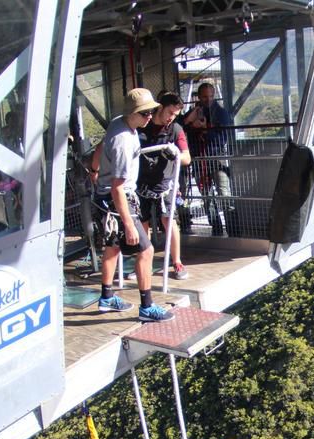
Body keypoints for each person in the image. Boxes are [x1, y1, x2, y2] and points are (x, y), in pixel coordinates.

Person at [87, 88, 173, 322]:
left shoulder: (118, 123)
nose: (149, 116)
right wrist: (129, 224)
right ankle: (146, 307)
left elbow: (100, 147)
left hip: (103, 198)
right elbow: (118, 188)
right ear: (133, 113)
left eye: (151, 111)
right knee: (146, 251)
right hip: (117, 201)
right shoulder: (125, 142)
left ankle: (106, 297)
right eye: (144, 113)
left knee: (112, 247)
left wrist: (94, 170)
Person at [138, 91, 191, 280]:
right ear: (160, 108)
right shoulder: (142, 126)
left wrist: (175, 153)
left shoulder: (175, 129)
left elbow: (186, 157)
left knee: (169, 220)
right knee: (141, 221)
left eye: (175, 115)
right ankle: (144, 260)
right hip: (141, 183)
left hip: (165, 184)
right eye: (170, 112)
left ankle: (177, 262)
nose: (171, 118)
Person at [181, 82, 235, 236]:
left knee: (224, 194)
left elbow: (223, 138)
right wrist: (193, 125)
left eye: (211, 96)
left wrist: (204, 129)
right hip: (200, 160)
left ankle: (233, 230)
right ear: (199, 97)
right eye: (205, 97)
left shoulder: (221, 113)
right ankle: (216, 228)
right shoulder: (193, 113)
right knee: (207, 197)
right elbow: (181, 128)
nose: (208, 99)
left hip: (217, 159)